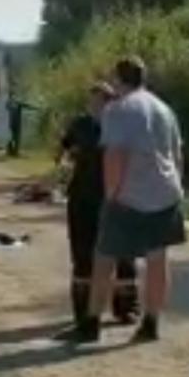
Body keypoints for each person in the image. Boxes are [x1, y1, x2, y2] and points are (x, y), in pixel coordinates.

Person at [68, 56, 186, 345]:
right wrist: (176, 187)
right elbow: (177, 155)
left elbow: (115, 155)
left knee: (104, 258)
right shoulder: (164, 109)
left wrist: (111, 195)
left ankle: (91, 323)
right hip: (166, 192)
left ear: (118, 79)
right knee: (157, 260)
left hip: (130, 195)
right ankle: (151, 323)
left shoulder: (118, 109)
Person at [54, 83, 138, 336]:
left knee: (123, 255)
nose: (94, 107)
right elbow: (64, 150)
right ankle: (84, 317)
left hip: (116, 198)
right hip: (83, 198)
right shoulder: (80, 125)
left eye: (99, 102)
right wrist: (63, 163)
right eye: (91, 102)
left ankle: (126, 307)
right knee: (83, 257)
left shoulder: (123, 127)